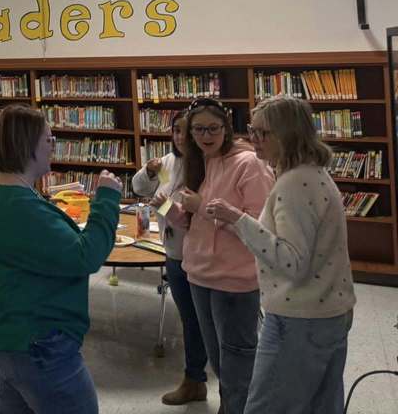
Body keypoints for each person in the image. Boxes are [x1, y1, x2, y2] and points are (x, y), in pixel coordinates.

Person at [206, 96, 355, 414]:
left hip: (299, 318)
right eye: (251, 130)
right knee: (321, 405)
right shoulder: (312, 174)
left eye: (262, 133)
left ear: (287, 135)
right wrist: (241, 225)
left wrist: (238, 218)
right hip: (326, 311)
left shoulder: (294, 184)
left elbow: (292, 262)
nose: (253, 140)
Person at [0, 105, 120, 414]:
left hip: (13, 334)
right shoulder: (18, 206)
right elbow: (86, 256)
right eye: (48, 139)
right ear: (27, 145)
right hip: (39, 341)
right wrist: (106, 199)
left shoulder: (3, 191)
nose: (53, 146)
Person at [167, 98, 274, 414]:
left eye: (213, 128)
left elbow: (259, 227)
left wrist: (201, 205)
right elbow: (192, 223)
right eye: (198, 129)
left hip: (235, 280)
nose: (205, 135)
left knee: (238, 359)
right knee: (218, 359)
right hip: (199, 274)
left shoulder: (249, 164)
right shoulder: (200, 162)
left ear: (227, 127)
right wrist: (165, 207)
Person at [131, 110, 209, 405]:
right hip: (174, 253)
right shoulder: (169, 162)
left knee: (200, 322)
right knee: (190, 319)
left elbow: (194, 218)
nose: (180, 137)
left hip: (197, 254)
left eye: (186, 131)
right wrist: (149, 172)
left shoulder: (204, 166)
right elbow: (142, 189)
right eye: (175, 130)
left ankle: (198, 378)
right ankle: (194, 379)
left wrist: (163, 209)